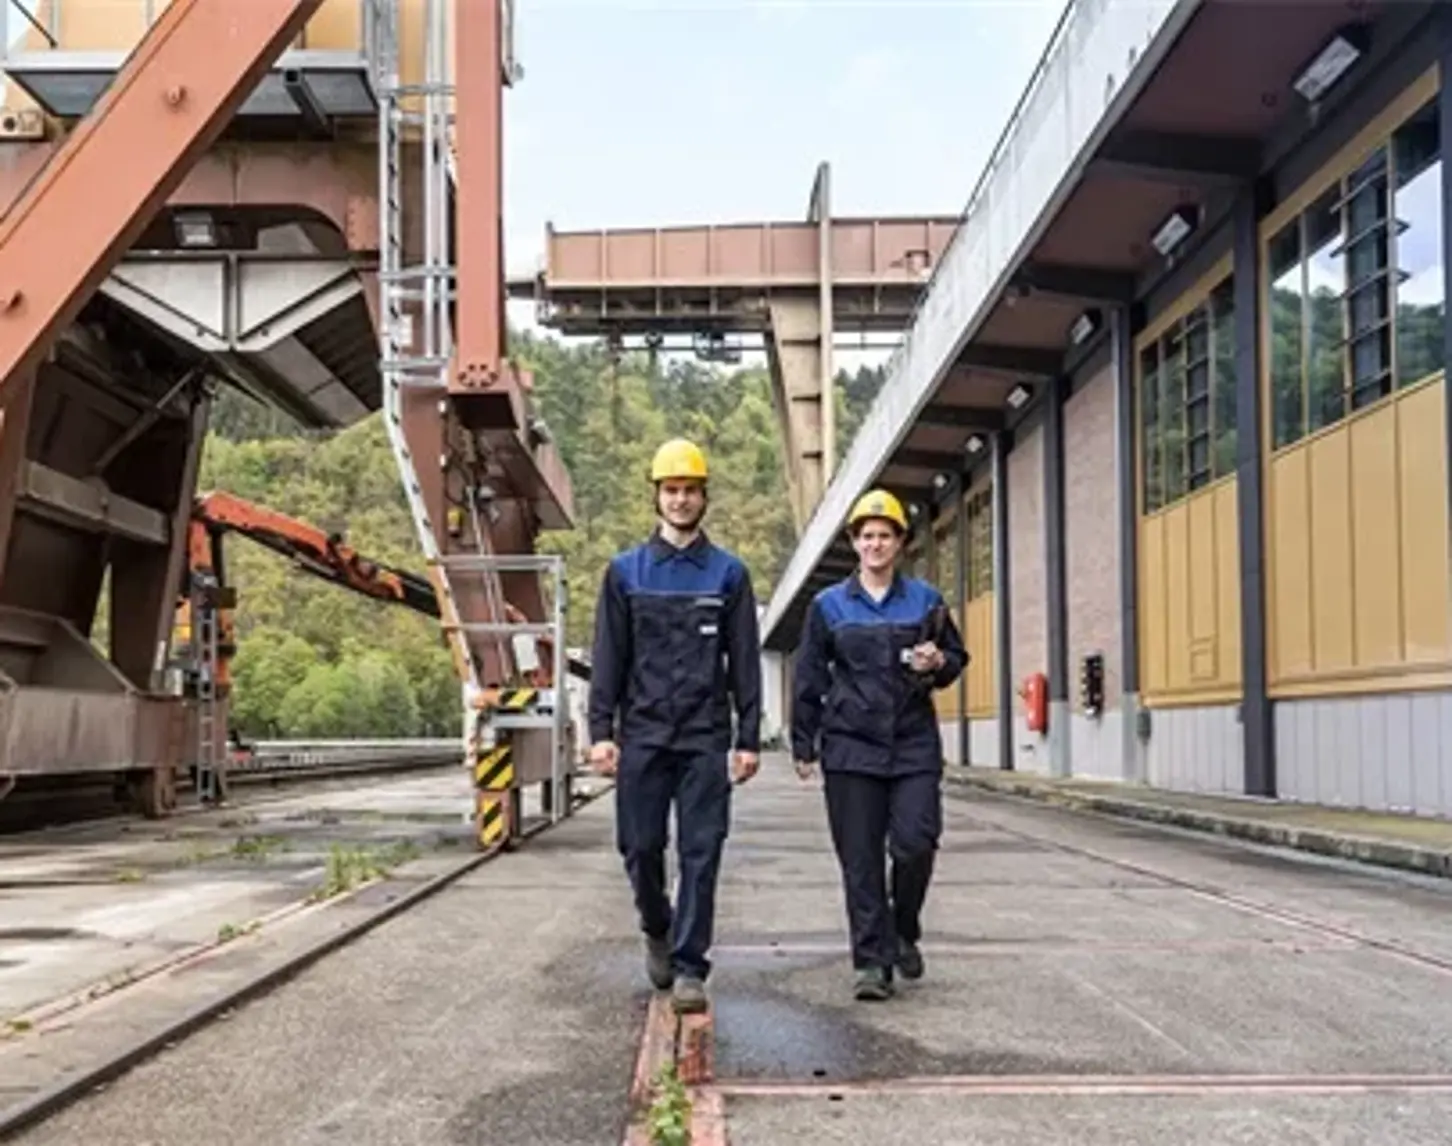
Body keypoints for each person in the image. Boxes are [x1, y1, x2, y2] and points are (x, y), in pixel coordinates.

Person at [587, 437, 762, 1014]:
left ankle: (690, 966)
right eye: (671, 491)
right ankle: (655, 925)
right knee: (639, 847)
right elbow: (608, 657)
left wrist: (748, 738)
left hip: (704, 737)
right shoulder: (625, 574)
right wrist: (600, 731)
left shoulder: (728, 575)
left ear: (704, 496)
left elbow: (744, 659)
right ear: (656, 496)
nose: (681, 500)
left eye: (690, 491)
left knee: (702, 851)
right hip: (641, 735)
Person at [790, 488, 966, 1002]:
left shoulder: (926, 601)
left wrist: (940, 664)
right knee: (861, 859)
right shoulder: (828, 606)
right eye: (866, 536)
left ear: (899, 543)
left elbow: (956, 657)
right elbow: (808, 676)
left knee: (916, 844)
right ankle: (871, 963)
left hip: (912, 744)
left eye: (884, 535)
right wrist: (805, 742)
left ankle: (903, 928)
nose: (875, 544)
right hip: (850, 747)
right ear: (854, 543)